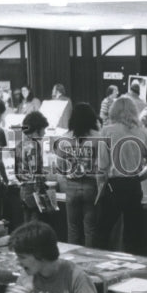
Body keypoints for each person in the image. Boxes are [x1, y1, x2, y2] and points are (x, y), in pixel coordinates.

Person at [96, 96, 147, 253]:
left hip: (113, 185)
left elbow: (102, 166)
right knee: (134, 233)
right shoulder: (144, 132)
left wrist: (100, 187)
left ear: (114, 111)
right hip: (134, 185)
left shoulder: (107, 131)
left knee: (102, 231)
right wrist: (136, 178)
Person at [53, 102, 103, 247]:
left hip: (71, 187)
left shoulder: (64, 138)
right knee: (90, 230)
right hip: (91, 186)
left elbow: (60, 167)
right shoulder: (98, 138)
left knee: (73, 229)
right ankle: (89, 261)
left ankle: (73, 260)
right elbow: (103, 166)